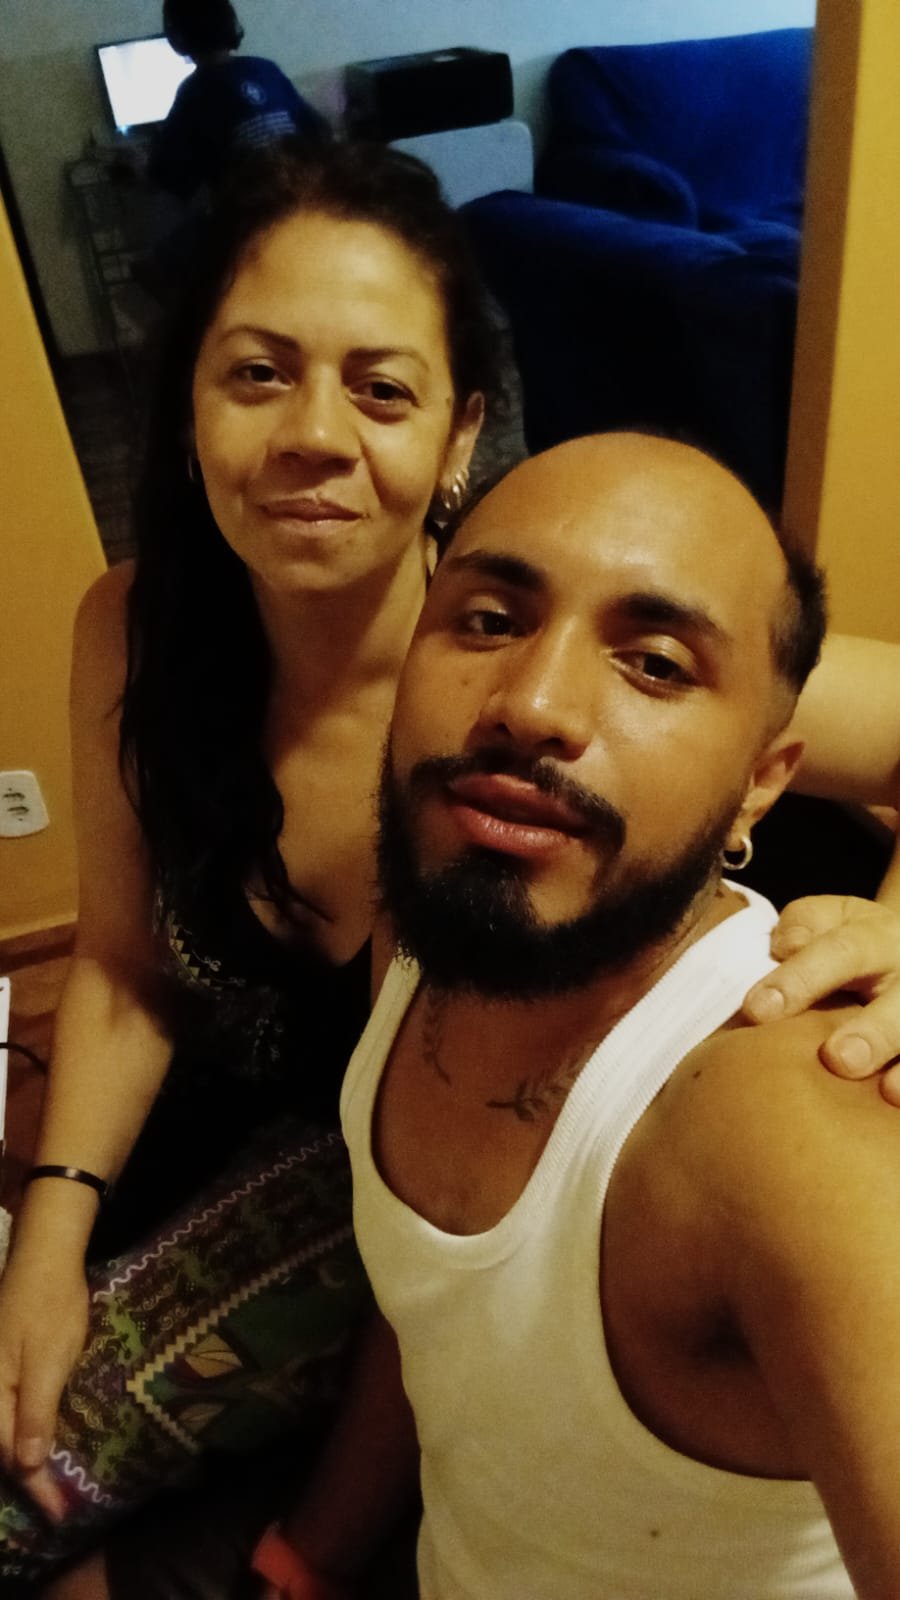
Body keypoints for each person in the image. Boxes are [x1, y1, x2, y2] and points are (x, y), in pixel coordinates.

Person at [1, 138, 899, 1594]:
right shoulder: (139, 629)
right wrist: (52, 1223)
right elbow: (118, 961)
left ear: (461, 432)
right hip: (312, 1156)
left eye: (381, 387)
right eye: (256, 373)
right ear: (185, 406)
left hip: (471, 1182)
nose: (312, 435)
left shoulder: (549, 639)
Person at [251, 432, 900, 1599]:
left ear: (762, 780)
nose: (532, 705)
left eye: (653, 663)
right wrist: (310, 1555)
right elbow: (439, 1319)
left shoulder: (784, 1124)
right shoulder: (427, 928)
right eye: (489, 620)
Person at [149, 0, 327, 203]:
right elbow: (319, 131)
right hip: (308, 201)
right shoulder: (267, 69)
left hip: (252, 212)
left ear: (176, 37)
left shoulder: (193, 92)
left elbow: (168, 178)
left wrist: (139, 163)